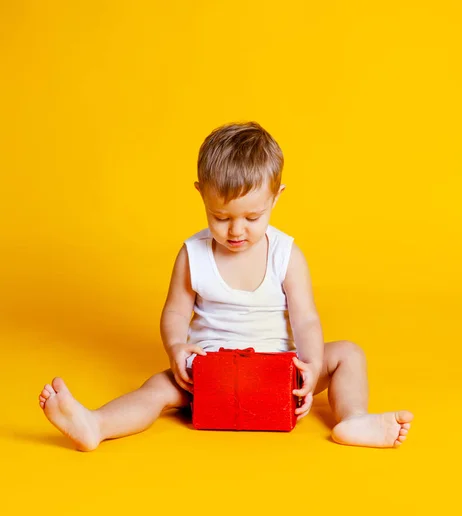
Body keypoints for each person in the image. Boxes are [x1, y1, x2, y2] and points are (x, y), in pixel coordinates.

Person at [38, 121, 414, 451]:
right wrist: (176, 348)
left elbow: (306, 320)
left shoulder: (286, 255)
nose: (236, 231)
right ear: (201, 193)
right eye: (220, 217)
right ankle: (96, 425)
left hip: (281, 374)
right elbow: (174, 313)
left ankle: (353, 419)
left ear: (276, 197)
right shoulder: (193, 255)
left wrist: (312, 366)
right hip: (208, 377)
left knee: (348, 353)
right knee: (157, 387)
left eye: (253, 217)